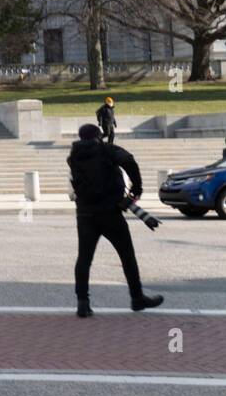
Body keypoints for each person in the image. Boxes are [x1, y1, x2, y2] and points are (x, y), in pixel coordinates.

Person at [67, 124, 163, 318]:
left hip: (85, 213)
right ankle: (137, 298)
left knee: (84, 258)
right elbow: (129, 160)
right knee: (127, 256)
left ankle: (83, 303)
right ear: (98, 136)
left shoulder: (73, 157)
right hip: (110, 211)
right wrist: (137, 188)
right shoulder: (106, 149)